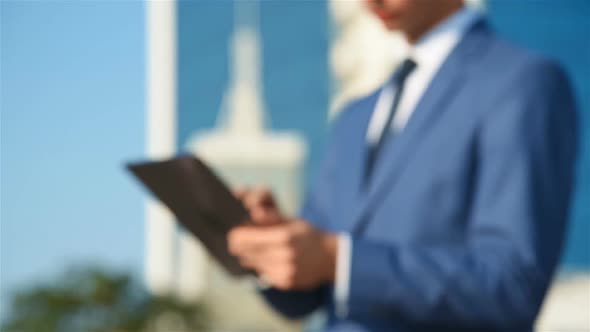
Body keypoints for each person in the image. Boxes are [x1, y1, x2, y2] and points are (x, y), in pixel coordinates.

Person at [227, 0, 579, 331]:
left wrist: (341, 261)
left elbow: (511, 286)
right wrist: (277, 248)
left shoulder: (522, 84)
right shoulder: (355, 116)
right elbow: (312, 290)